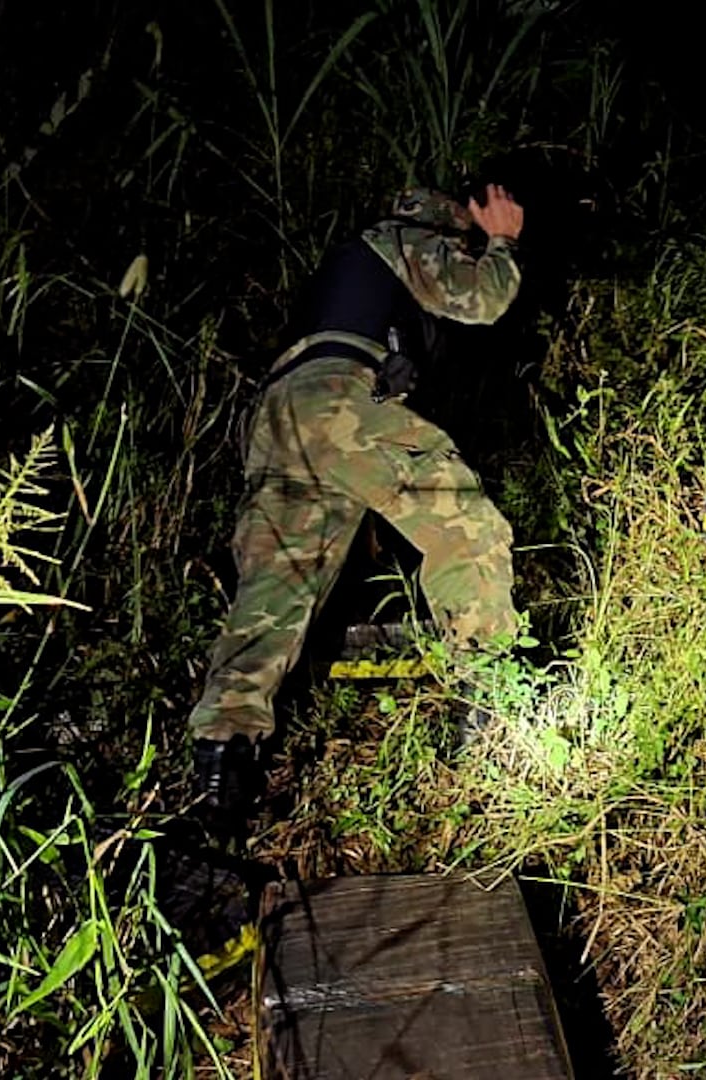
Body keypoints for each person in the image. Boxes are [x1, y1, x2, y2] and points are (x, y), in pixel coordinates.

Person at [188, 183, 527, 811]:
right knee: (466, 527)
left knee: (275, 595)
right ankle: (490, 711)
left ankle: (221, 762)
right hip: (337, 398)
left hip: (278, 418)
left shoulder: (347, 268)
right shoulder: (402, 239)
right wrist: (502, 238)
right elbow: (482, 299)